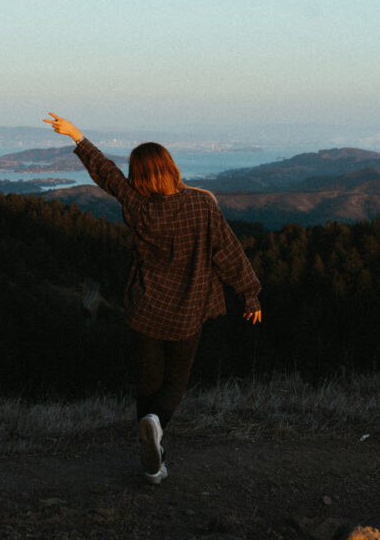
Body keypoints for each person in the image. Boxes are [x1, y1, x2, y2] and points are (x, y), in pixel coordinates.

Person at [43, 112, 262, 484]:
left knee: (147, 383)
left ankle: (153, 459)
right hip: (186, 312)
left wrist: (78, 137)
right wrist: (250, 294)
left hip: (146, 310)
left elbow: (106, 174)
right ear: (170, 167)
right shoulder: (201, 205)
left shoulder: (136, 204)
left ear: (139, 176)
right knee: (175, 383)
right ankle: (156, 429)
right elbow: (227, 250)